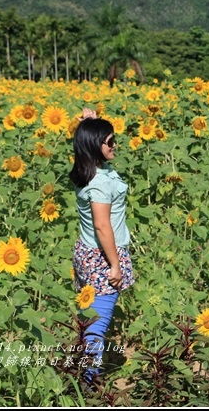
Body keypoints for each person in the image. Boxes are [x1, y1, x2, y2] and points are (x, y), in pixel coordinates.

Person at [69, 109, 135, 382]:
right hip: (102, 257)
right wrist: (116, 264)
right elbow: (102, 226)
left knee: (91, 315)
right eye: (110, 141)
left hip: (88, 252)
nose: (114, 145)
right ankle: (87, 381)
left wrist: (87, 124)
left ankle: (81, 371)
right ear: (97, 146)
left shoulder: (89, 170)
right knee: (99, 322)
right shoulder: (99, 185)